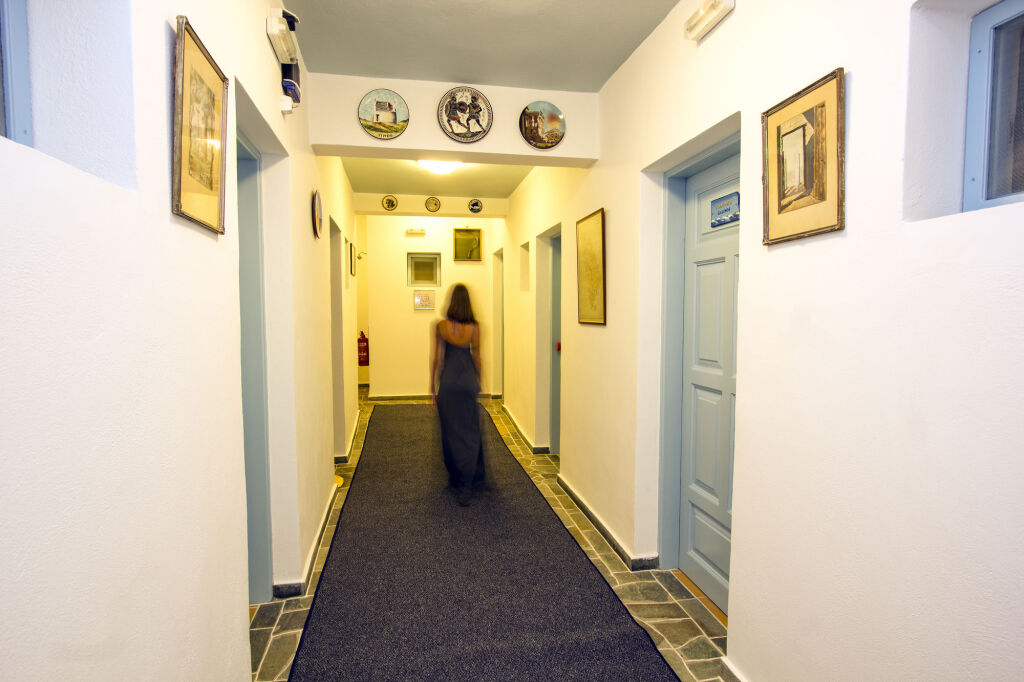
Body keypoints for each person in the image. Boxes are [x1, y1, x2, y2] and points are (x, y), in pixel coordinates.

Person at [430, 283, 484, 506]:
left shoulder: (440, 326)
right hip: (467, 383)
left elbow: (437, 359)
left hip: (449, 384)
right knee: (470, 433)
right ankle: (467, 484)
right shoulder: (475, 328)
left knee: (450, 432)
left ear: (451, 301)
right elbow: (477, 358)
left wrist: (432, 387)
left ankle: (455, 478)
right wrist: (479, 383)